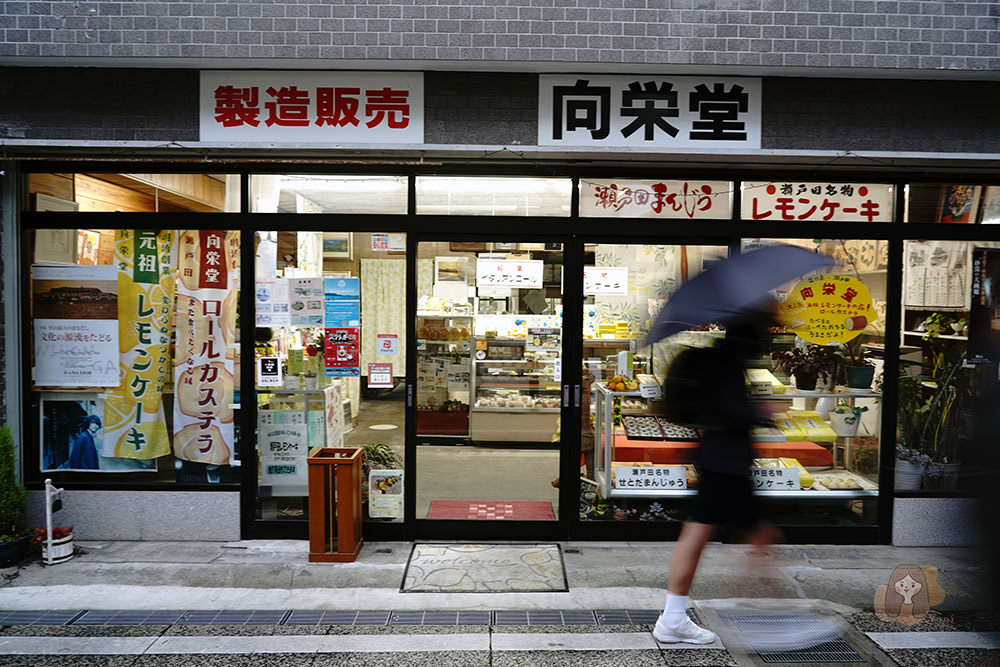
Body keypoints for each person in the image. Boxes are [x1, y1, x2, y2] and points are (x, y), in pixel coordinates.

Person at [653, 304, 781, 645]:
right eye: (764, 330)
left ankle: (676, 616)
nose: (766, 338)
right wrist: (758, 412)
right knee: (756, 537)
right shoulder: (730, 363)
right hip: (726, 462)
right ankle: (771, 615)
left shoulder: (721, 356)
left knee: (704, 536)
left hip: (719, 459)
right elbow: (732, 410)